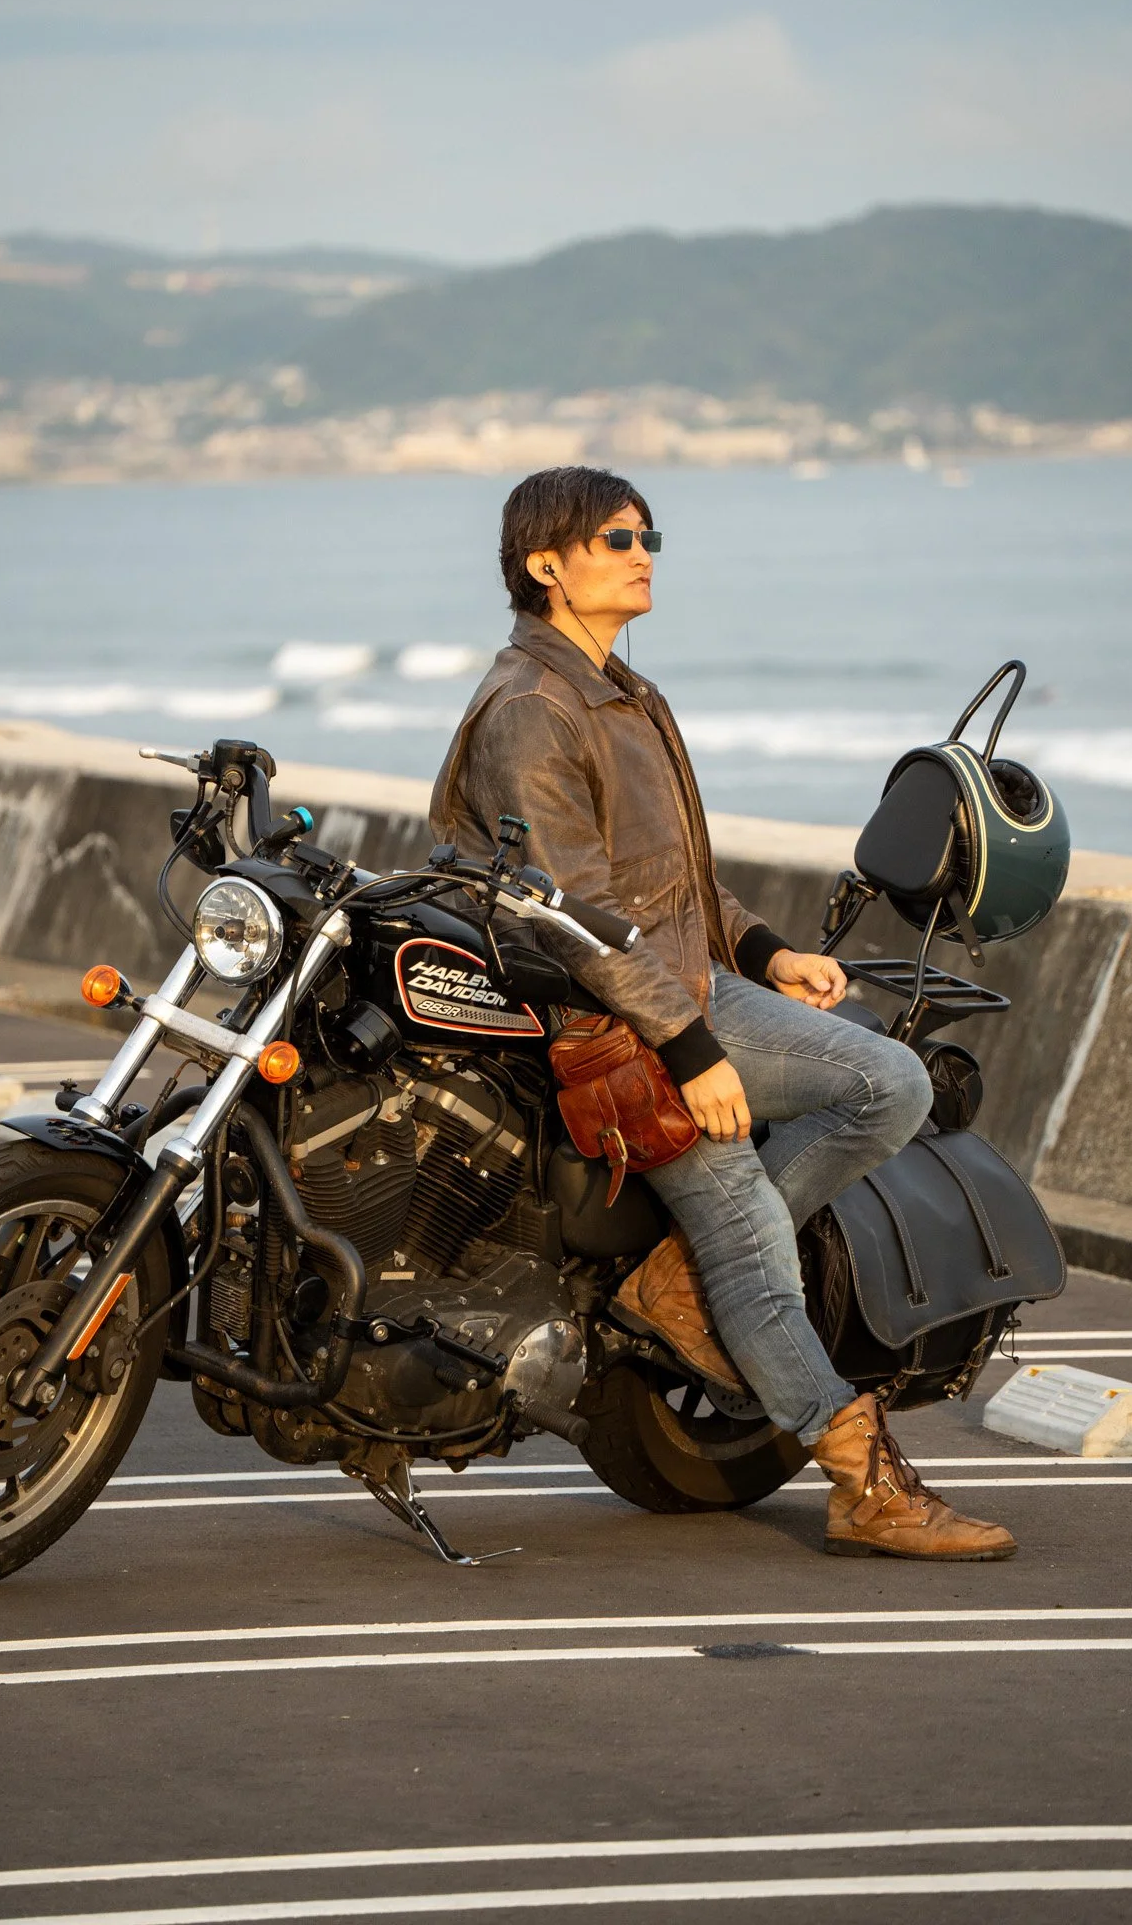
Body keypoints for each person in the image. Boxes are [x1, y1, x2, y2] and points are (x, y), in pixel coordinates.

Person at [430, 465, 1016, 1560]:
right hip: (615, 1023)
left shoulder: (624, 693)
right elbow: (572, 919)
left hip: (687, 984)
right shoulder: (534, 709)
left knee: (889, 1082)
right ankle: (862, 1481)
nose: (642, 553)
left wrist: (767, 951)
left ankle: (681, 1277)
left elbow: (671, 885)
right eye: (615, 538)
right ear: (545, 564)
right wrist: (694, 1050)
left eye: (648, 535)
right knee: (752, 1235)